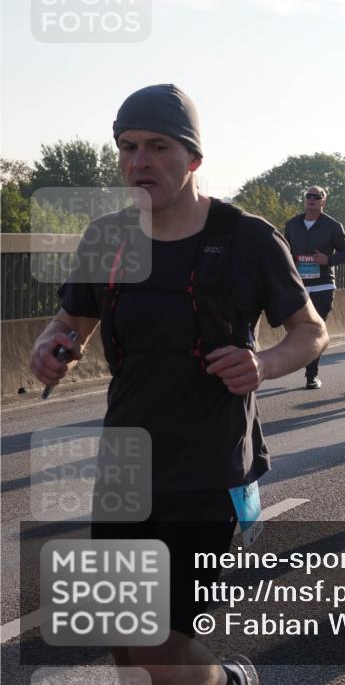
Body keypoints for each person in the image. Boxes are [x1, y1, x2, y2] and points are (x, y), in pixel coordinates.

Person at [30, 84, 327, 685]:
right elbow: (73, 321)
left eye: (158, 146)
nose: (139, 161)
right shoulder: (109, 238)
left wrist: (264, 364)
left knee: (160, 639)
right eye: (128, 147)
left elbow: (310, 331)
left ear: (193, 158)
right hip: (127, 458)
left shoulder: (245, 237)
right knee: (119, 629)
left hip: (208, 464)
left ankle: (227, 680)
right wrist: (51, 344)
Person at [283, 186, 345, 389]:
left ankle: (311, 375)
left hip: (322, 286)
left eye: (316, 197)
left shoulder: (333, 226)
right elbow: (283, 250)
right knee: (298, 330)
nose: (311, 200)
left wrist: (327, 259)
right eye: (308, 196)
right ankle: (301, 362)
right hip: (299, 285)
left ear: (323, 202)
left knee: (315, 330)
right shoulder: (292, 224)